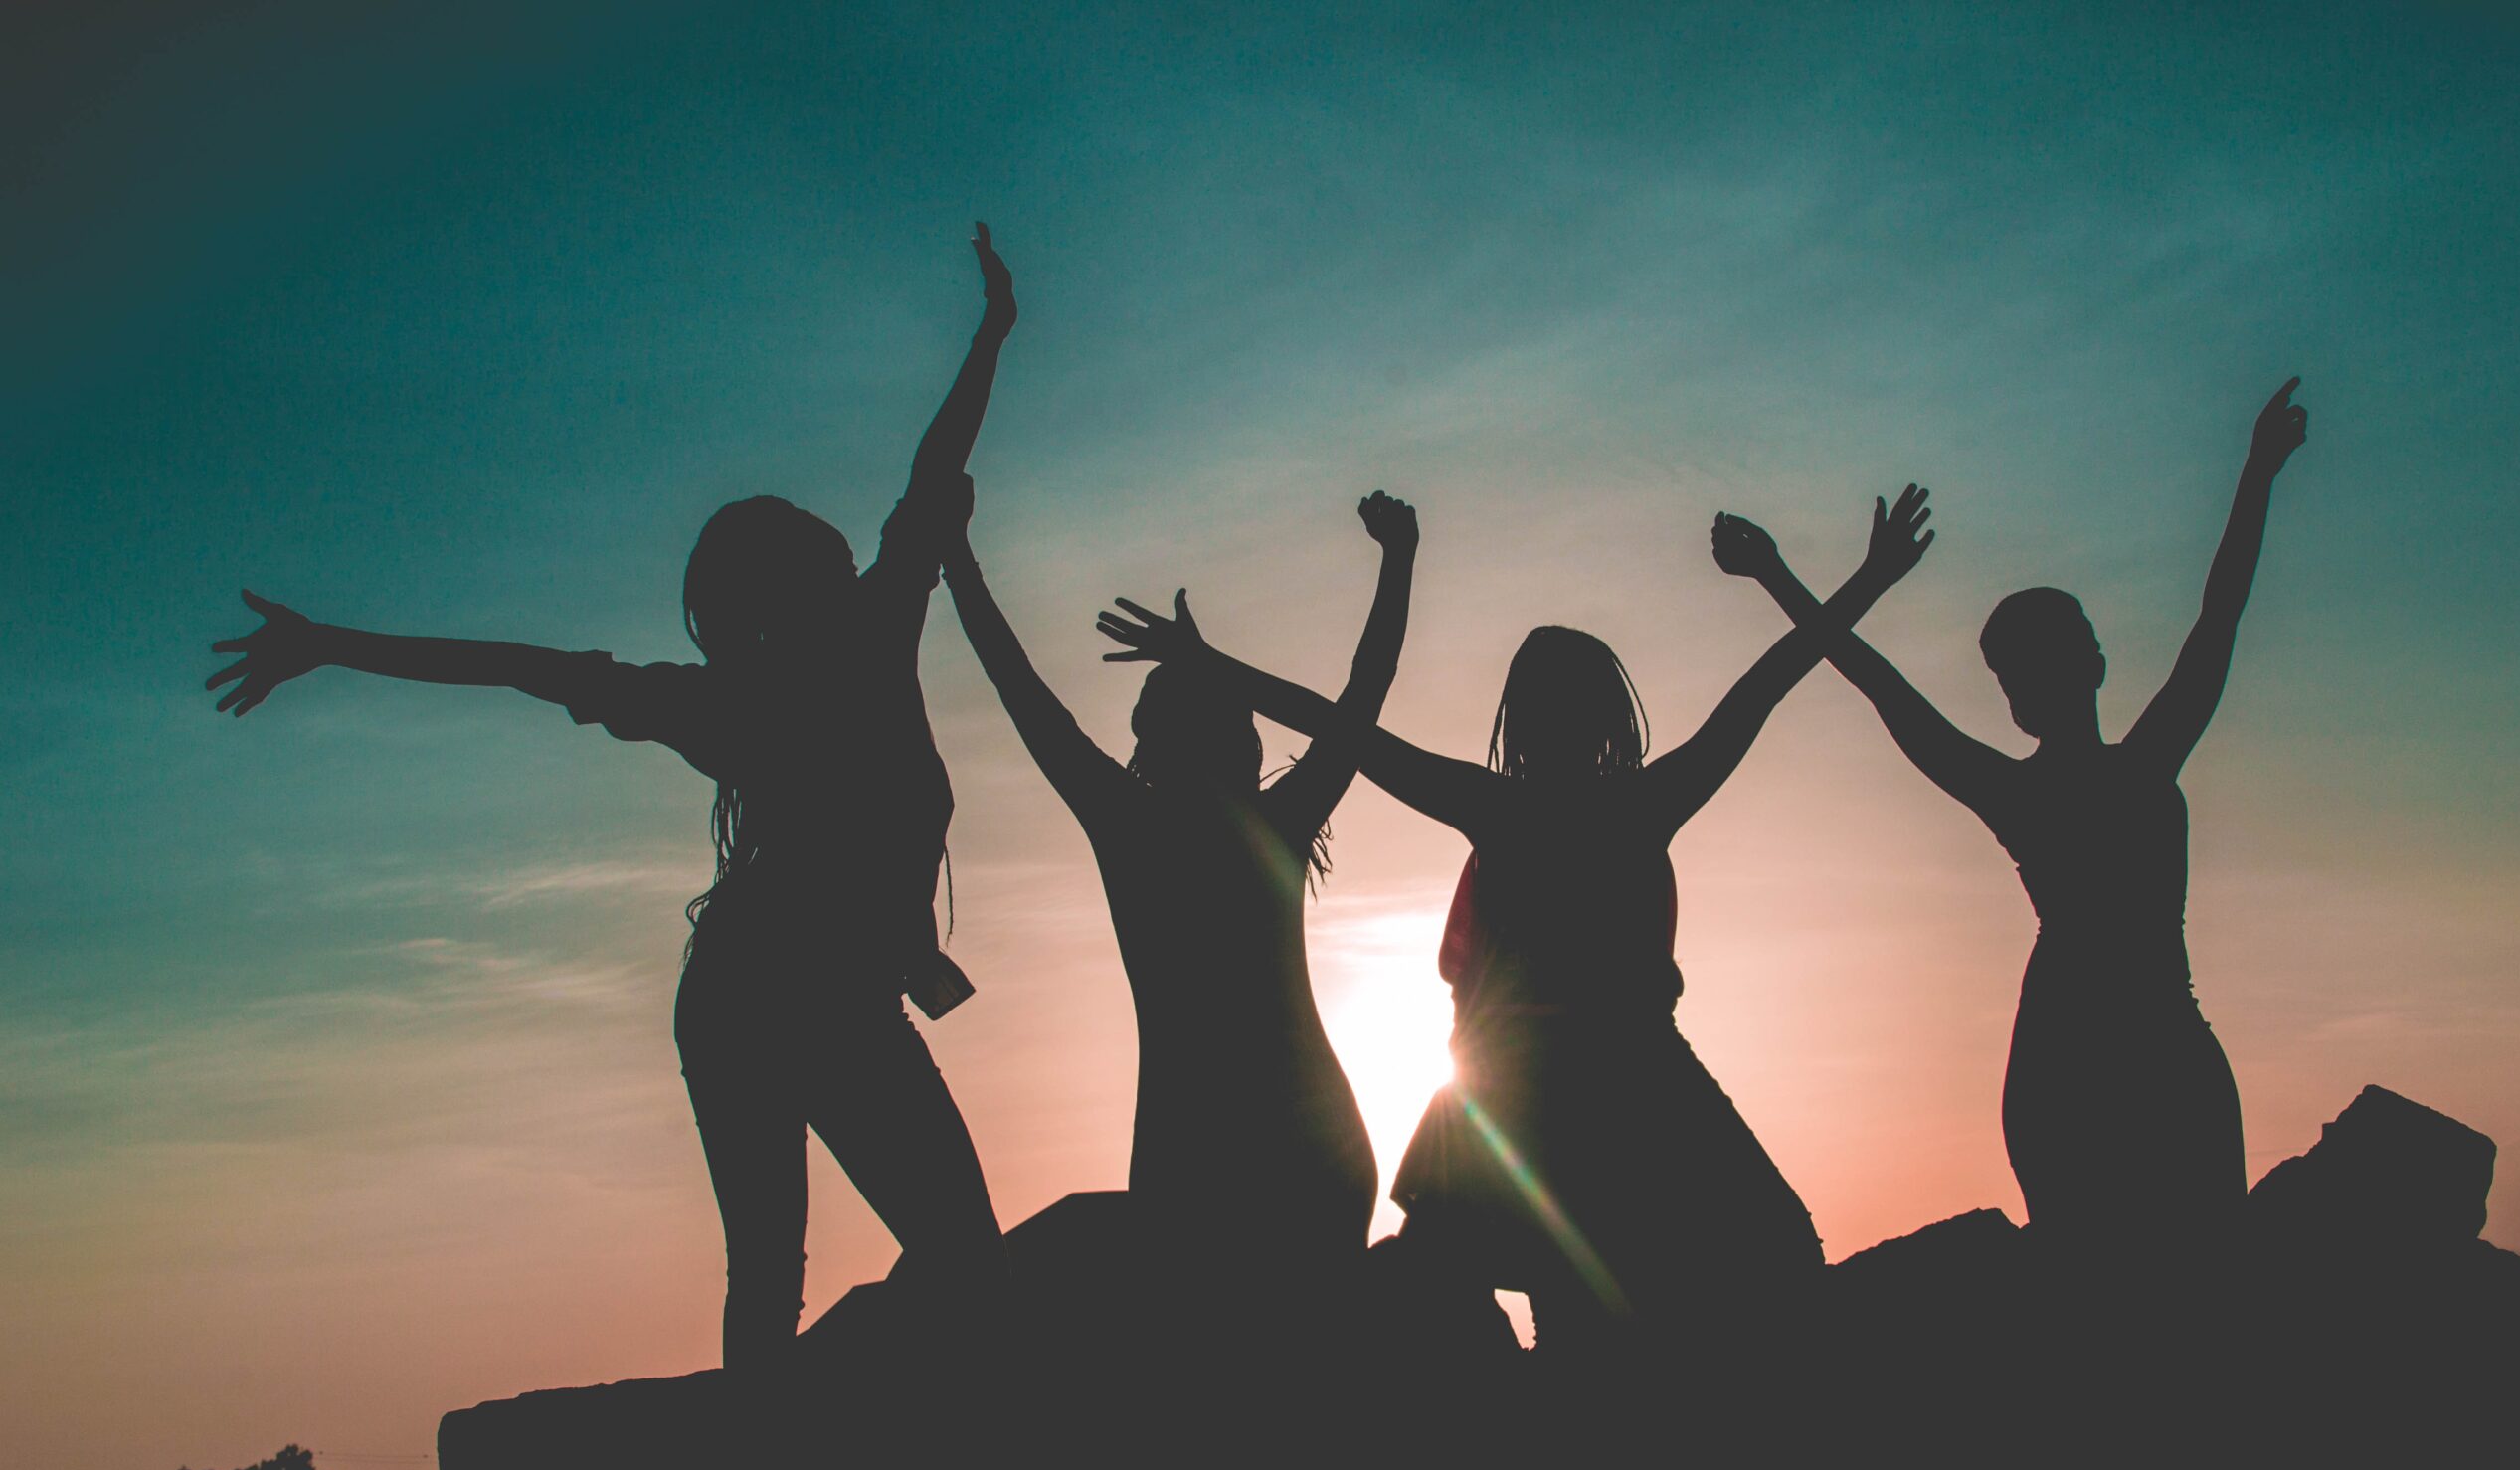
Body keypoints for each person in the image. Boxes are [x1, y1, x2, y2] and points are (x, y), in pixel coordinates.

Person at [205, 225, 1023, 1368]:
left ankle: (822, 1436)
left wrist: (992, 332)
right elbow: (519, 665)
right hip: (773, 994)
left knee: (854, 1271)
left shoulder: (809, 657)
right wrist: (330, 643)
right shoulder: (838, 650)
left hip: (785, 988)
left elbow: (527, 666)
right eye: (825, 558)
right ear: (798, 588)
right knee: (821, 1271)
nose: (852, 562)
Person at [1097, 490, 1936, 1350]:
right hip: (1611, 1082)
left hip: (1534, 1088)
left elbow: (1338, 717)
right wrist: (1852, 578)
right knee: (1738, 1262)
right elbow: (1773, 678)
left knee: (1599, 1299)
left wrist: (1210, 663)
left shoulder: (1505, 804)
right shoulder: (1633, 801)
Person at [1712, 381, 2310, 1250]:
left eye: (2024, 668)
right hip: (2099, 1064)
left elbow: (1881, 684)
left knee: (2153, 1275)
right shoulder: (2112, 774)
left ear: (2084, 667)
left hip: (2118, 1057)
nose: (2023, 687)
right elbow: (2218, 615)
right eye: (2012, 673)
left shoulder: (2044, 789)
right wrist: (2257, 473)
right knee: (2163, 1278)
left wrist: (1781, 574)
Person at [943, 485, 1419, 1280]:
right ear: (1243, 740)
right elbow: (1364, 694)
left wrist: (958, 561)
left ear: (1149, 744)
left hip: (1194, 1165)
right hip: (1316, 1159)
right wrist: (1398, 560)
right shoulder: (1274, 823)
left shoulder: (1132, 824)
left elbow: (1018, 687)